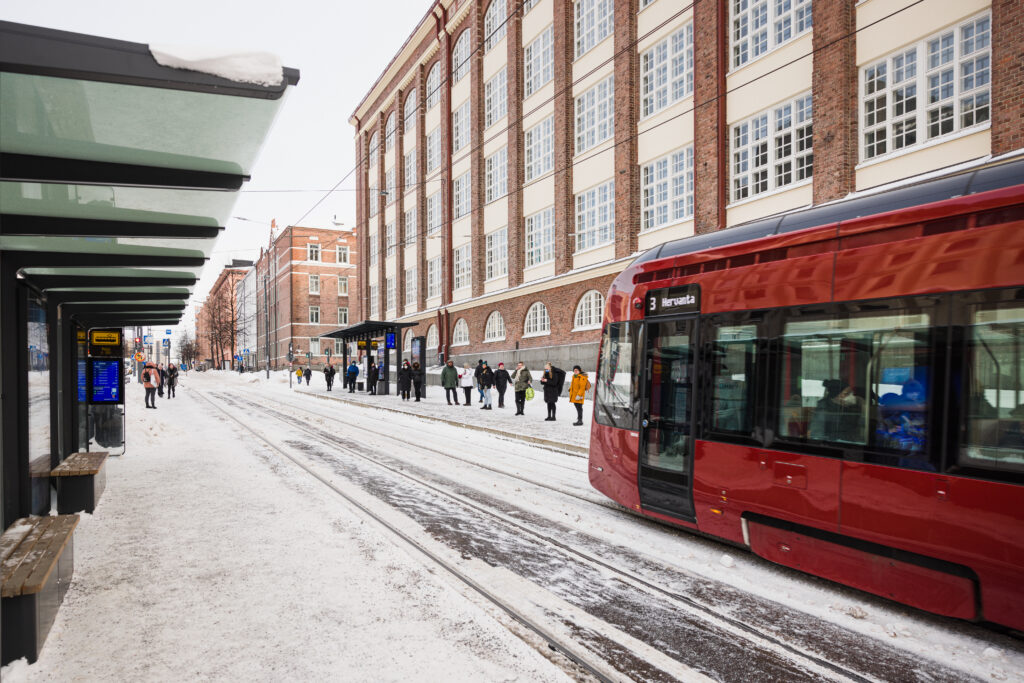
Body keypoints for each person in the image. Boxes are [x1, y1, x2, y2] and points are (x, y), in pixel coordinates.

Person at [810, 379, 864, 443]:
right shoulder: (823, 409)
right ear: (836, 396)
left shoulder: (848, 408)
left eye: (851, 393)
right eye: (847, 394)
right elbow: (817, 434)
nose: (851, 396)